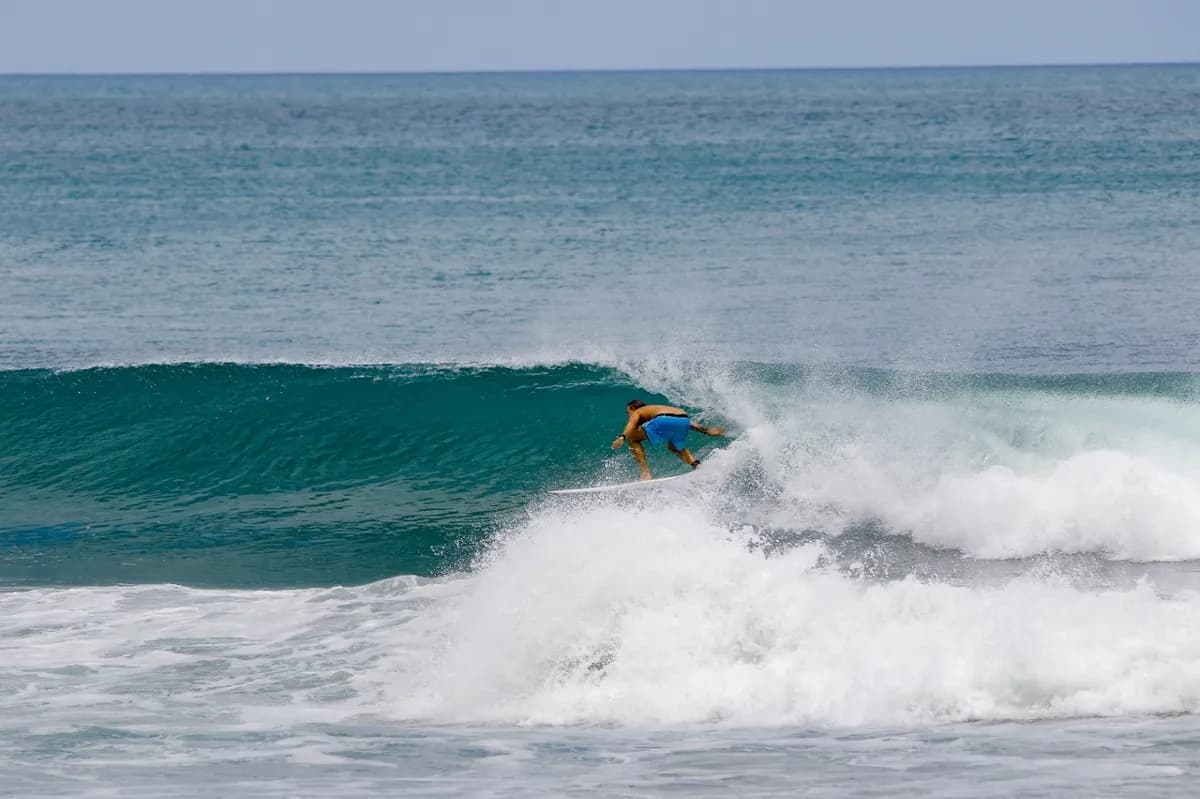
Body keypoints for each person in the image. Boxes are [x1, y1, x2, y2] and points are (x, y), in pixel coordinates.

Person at [611, 399, 725, 480]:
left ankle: (645, 474)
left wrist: (623, 436)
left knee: (632, 439)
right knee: (674, 447)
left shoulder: (638, 411)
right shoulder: (657, 408)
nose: (628, 415)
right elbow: (686, 422)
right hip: (684, 420)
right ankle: (697, 465)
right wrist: (707, 431)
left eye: (628, 412)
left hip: (663, 420)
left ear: (632, 408)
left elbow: (631, 425)